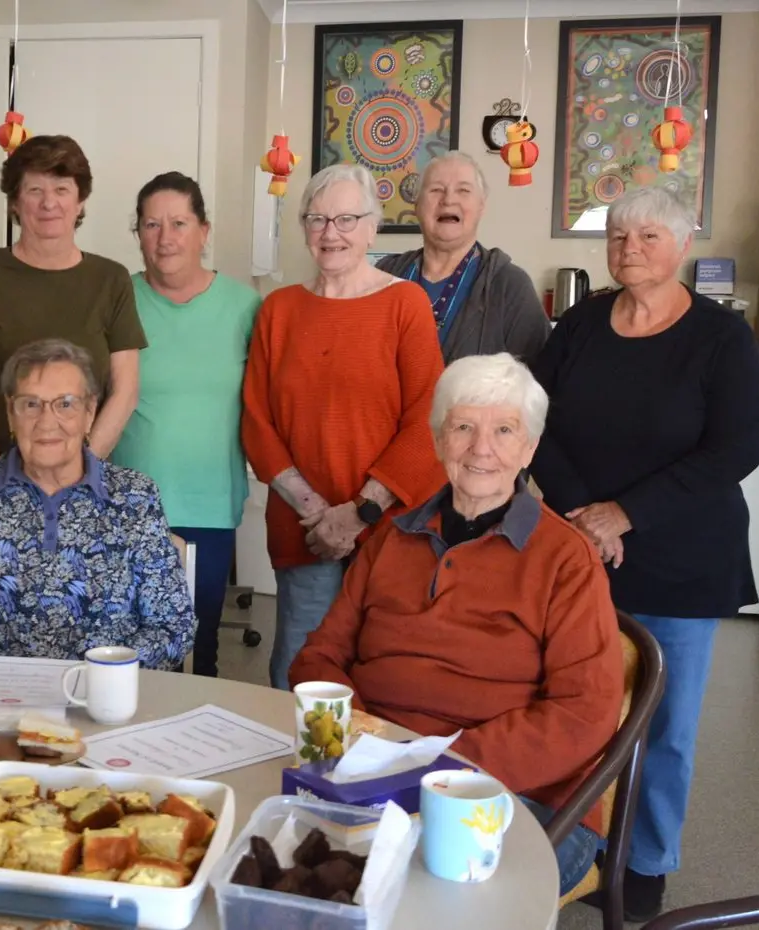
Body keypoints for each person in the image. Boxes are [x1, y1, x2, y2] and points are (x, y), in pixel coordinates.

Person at [290, 353, 625, 898]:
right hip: (372, 771)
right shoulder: (392, 538)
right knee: (283, 866)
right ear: (439, 439)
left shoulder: (566, 559)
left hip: (510, 790)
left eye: (504, 430)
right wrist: (353, 738)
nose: (481, 448)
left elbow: (584, 714)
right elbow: (321, 656)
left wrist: (441, 767)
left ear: (530, 448)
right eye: (463, 427)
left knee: (418, 890)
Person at [530, 187, 759, 921]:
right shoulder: (581, 323)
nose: (629, 249)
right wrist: (584, 518)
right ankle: (576, 842)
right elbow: (535, 418)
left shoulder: (720, 338)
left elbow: (736, 447)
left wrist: (624, 514)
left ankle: (647, 858)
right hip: (579, 551)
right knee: (573, 709)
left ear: (682, 245)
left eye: (647, 236)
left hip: (681, 560)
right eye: (617, 236)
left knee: (661, 726)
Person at [241, 164, 445, 691]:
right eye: (317, 218)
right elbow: (257, 421)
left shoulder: (405, 303)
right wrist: (317, 514)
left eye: (347, 219)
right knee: (299, 676)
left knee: (388, 680)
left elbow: (429, 419)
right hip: (303, 531)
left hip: (390, 531)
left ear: (373, 228)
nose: (331, 232)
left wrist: (358, 513)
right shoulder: (278, 310)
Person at [0, 339, 195, 669]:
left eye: (66, 404)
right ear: (10, 413)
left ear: (90, 412)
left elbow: (172, 626)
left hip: (105, 701)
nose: (47, 421)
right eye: (31, 404)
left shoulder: (134, 497)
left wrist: (101, 674)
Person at [111, 172, 259, 678]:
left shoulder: (245, 308)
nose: (165, 237)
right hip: (126, 504)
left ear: (204, 231)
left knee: (198, 649)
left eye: (179, 223)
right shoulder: (116, 297)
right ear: (137, 233)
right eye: (151, 224)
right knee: (121, 650)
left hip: (209, 504)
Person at [0, 135, 146, 477]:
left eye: (62, 189)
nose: (48, 203)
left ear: (80, 201)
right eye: (35, 190)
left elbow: (125, 392)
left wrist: (78, 473)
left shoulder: (111, 279)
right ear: (15, 203)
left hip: (79, 487)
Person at [376, 151, 550, 363]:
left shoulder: (510, 285)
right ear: (417, 206)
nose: (448, 200)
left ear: (481, 206)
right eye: (436, 190)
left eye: (463, 190)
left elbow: (537, 380)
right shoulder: (385, 274)